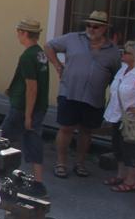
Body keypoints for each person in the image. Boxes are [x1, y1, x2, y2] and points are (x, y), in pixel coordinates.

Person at [46, 10, 122, 179]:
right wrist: (58, 65)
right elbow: (49, 46)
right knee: (66, 128)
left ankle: (80, 163)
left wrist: (114, 101)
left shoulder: (113, 51)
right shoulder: (73, 38)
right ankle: (61, 163)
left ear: (104, 28)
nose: (91, 29)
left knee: (87, 131)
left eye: (95, 26)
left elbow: (116, 77)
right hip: (69, 91)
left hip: (94, 96)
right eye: (88, 25)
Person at [0, 18, 50, 197]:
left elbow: (31, 86)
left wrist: (28, 114)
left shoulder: (28, 56)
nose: (17, 35)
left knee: (3, 141)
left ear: (24, 33)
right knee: (33, 141)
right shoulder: (40, 54)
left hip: (22, 107)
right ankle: (37, 181)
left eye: (19, 31)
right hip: (37, 106)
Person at [102, 40, 135, 193]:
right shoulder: (123, 70)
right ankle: (121, 175)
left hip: (130, 120)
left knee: (130, 149)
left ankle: (131, 180)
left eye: (127, 52)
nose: (124, 53)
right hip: (116, 115)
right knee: (117, 146)